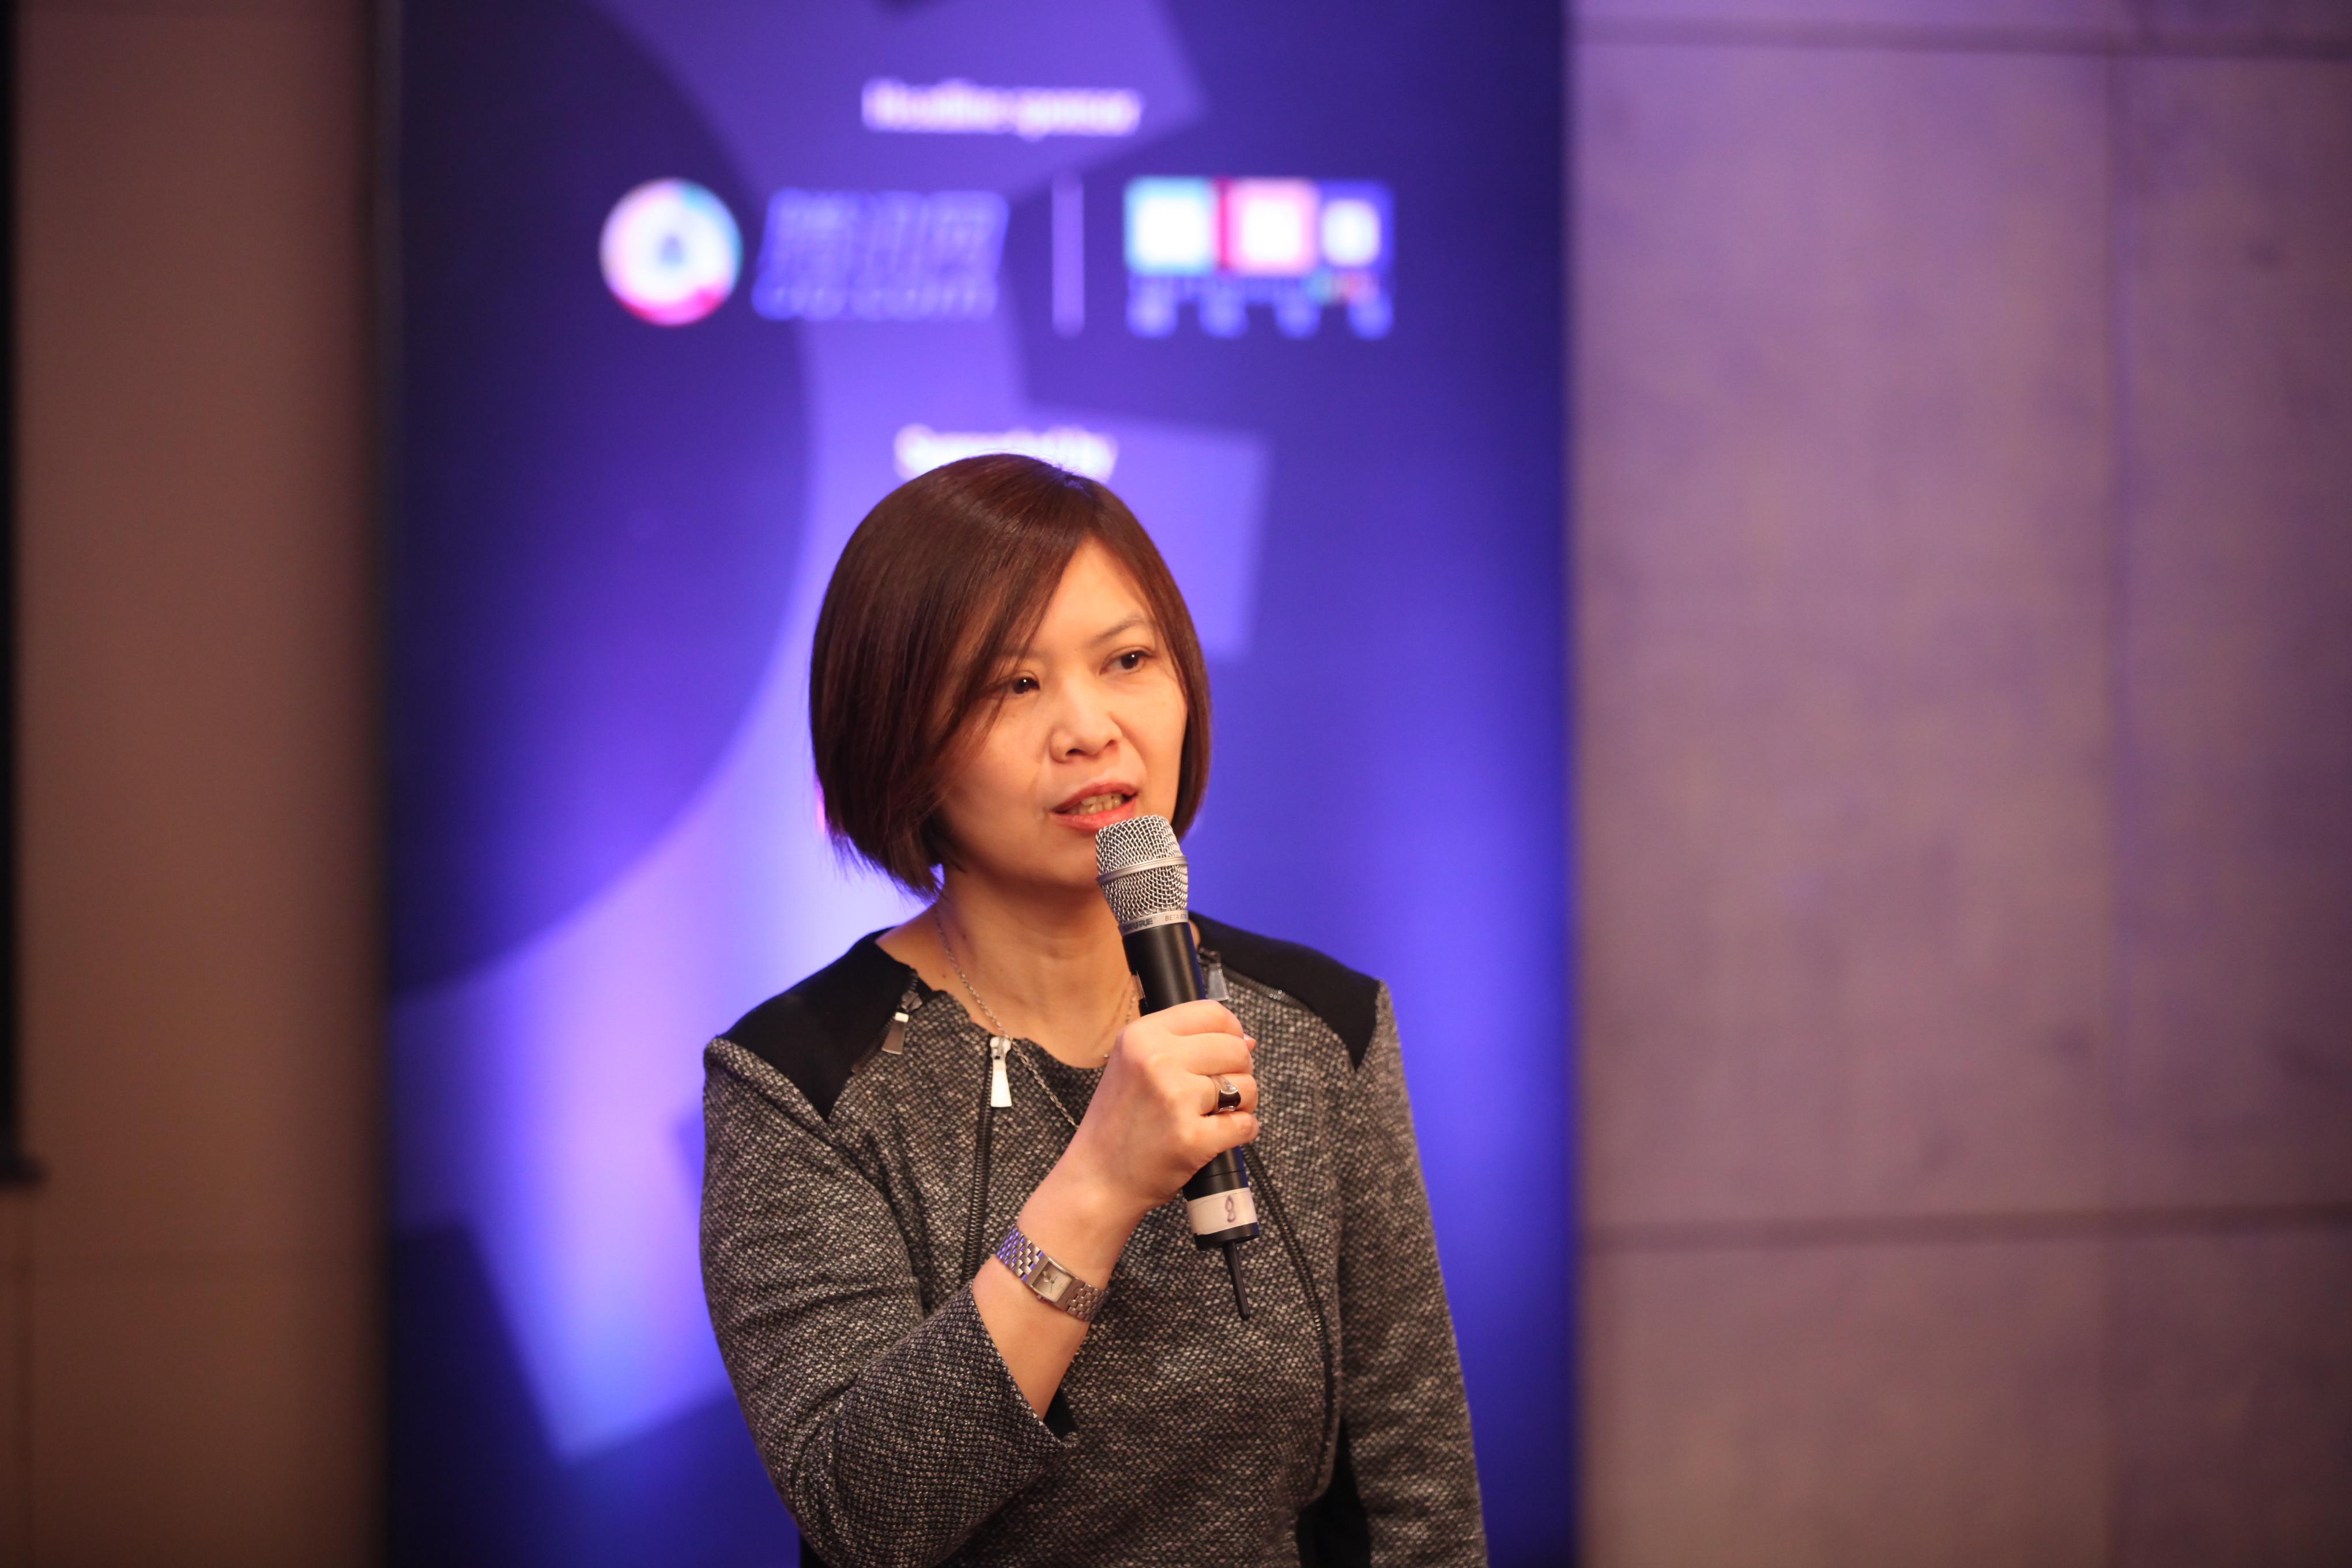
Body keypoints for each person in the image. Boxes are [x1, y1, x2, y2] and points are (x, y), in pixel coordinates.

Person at [700, 455, 1484, 1568]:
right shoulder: (802, 1082)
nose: (1090, 728)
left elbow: (1417, 1492)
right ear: (897, 737)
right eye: (1012, 685)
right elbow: (865, 1517)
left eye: (1127, 661)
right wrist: (1099, 1184)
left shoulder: (1322, 1028)